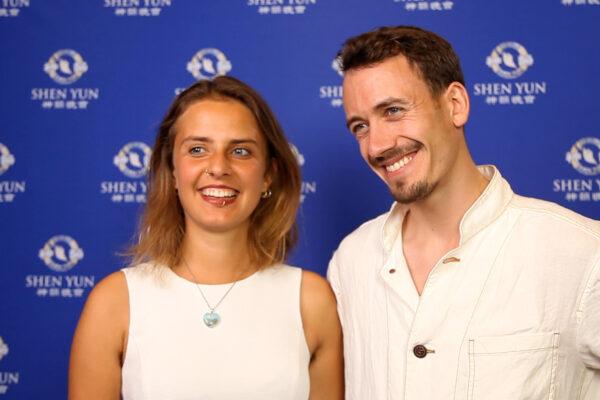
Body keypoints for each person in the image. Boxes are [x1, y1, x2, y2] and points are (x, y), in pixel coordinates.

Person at [327, 25, 600, 400]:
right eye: (360, 126)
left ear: (455, 104)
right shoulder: (351, 260)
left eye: (393, 110)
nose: (376, 145)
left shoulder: (582, 253)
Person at [69, 76, 343, 400]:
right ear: (172, 171)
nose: (218, 167)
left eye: (240, 151)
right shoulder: (114, 302)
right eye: (197, 149)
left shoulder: (312, 300)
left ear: (268, 174)